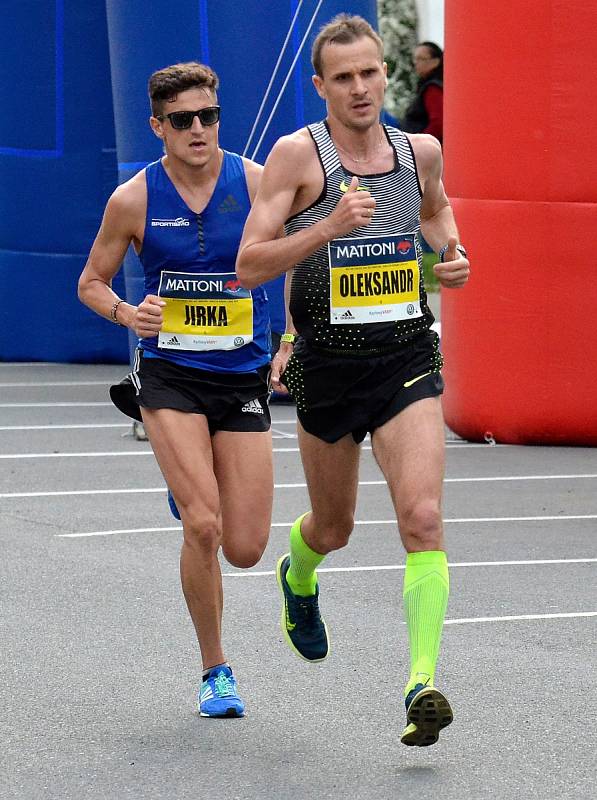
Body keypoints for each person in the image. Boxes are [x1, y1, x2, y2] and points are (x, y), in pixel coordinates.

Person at [236, 15, 470, 747]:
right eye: (344, 77)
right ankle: (298, 576)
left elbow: (433, 210)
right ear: (321, 86)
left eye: (369, 72)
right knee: (332, 527)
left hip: (405, 358)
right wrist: (326, 228)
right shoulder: (295, 156)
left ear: (384, 73)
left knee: (422, 519)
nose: (360, 87)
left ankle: (420, 683)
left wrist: (453, 252)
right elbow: (251, 263)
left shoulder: (417, 150)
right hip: (327, 367)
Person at [78, 62, 274, 719]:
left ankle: (188, 485)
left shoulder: (254, 182)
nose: (198, 130)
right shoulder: (133, 198)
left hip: (241, 375)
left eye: (208, 116)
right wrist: (128, 315)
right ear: (157, 126)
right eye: (183, 120)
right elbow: (92, 282)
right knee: (204, 523)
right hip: (169, 375)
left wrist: (294, 340)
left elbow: (296, 257)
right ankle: (216, 670)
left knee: (244, 547)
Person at [401, 41, 444, 143]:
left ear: (436, 61)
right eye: (415, 59)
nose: (416, 63)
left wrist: (418, 145)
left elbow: (438, 124)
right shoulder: (427, 84)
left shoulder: (433, 88)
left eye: (421, 59)